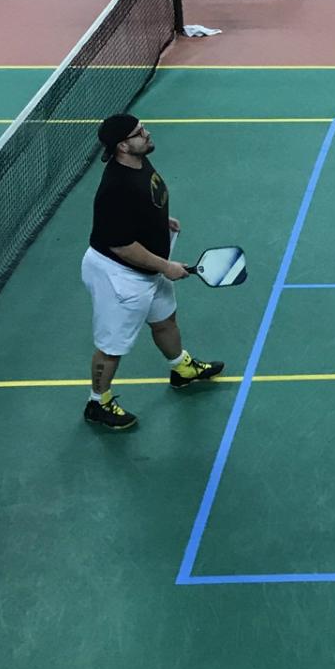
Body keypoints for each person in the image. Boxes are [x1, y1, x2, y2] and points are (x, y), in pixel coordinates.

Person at [81, 114, 224, 432]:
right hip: (119, 275)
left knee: (164, 320)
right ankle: (97, 403)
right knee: (112, 347)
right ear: (122, 146)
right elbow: (121, 245)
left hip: (147, 267)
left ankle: (181, 370)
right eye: (139, 132)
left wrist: (161, 220)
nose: (147, 133)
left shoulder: (137, 162)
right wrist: (166, 267)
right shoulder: (115, 188)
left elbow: (144, 204)